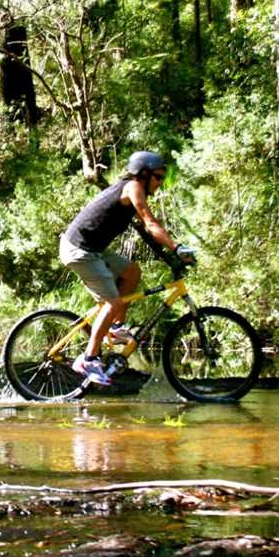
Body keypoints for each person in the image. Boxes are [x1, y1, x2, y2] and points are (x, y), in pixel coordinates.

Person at [59, 151, 195, 386]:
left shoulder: (132, 190)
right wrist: (176, 247)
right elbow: (151, 223)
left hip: (94, 248)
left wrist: (169, 257)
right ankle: (88, 359)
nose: (160, 183)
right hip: (79, 250)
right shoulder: (133, 188)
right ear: (144, 174)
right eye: (158, 177)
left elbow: (146, 231)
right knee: (112, 302)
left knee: (132, 272)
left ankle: (116, 327)